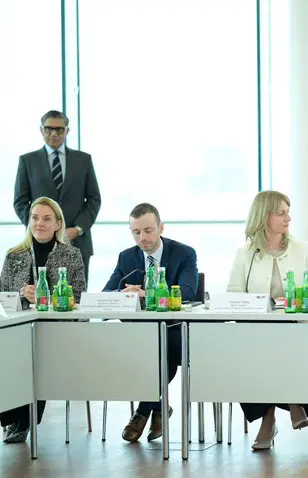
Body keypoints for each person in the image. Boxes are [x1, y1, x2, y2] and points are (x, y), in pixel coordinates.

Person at [226, 190, 308, 450]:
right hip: (259, 330)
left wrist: (294, 301)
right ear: (263, 216)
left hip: (298, 327)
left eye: (288, 212)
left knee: (278, 345)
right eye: (281, 213)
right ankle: (291, 403)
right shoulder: (245, 253)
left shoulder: (303, 249)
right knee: (258, 348)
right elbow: (234, 295)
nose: (288, 218)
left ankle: (271, 419)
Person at [103, 203, 198, 443]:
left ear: (161, 228)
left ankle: (143, 411)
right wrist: (123, 294)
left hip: (175, 329)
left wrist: (147, 294)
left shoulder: (184, 253)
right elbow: (106, 294)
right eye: (136, 232)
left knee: (164, 347)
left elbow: (187, 292)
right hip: (140, 333)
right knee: (153, 348)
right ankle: (158, 407)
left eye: (148, 231)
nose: (142, 238)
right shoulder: (126, 257)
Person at [0, 197, 86, 444]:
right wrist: (21, 296)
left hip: (56, 331)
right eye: (35, 218)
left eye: (47, 218)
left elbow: (79, 296)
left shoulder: (71, 255)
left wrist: (46, 298)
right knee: (13, 347)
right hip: (17, 328)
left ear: (58, 224)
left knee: (36, 349)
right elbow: (2, 296)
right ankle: (12, 416)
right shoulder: (14, 255)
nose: (39, 223)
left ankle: (25, 419)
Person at [13, 110, 101, 284]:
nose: (54, 133)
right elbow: (20, 201)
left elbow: (93, 199)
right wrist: (41, 227)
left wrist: (78, 229)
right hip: (38, 243)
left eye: (59, 129)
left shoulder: (83, 160)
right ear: (41, 130)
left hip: (77, 241)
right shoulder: (27, 161)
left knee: (77, 295)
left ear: (67, 131)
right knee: (39, 293)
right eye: (49, 129)